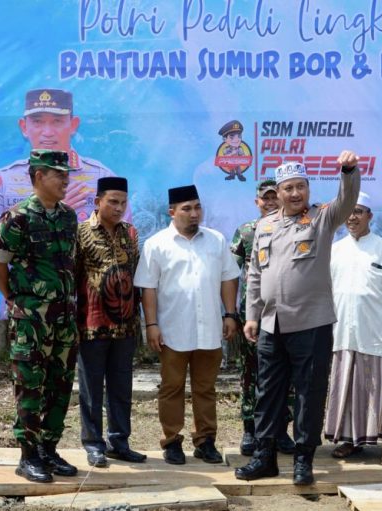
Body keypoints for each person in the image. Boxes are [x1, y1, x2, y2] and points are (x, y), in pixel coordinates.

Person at [234, 152, 361, 486]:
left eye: (300, 187)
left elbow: (346, 202)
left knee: (309, 393)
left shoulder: (322, 218)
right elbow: (256, 273)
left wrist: (348, 171)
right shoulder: (265, 225)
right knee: (268, 393)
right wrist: (251, 316)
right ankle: (265, 457)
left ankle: (304, 459)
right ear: (277, 192)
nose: (294, 194)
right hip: (270, 325)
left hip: (312, 323)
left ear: (307, 189)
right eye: (288, 188)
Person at [134, 185, 240, 465]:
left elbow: (228, 278)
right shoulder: (157, 244)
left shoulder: (216, 240)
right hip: (172, 330)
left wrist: (230, 314)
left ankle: (206, 441)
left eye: (197, 207)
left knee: (206, 388)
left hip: (210, 329)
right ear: (172, 212)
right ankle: (171, 441)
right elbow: (148, 288)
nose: (194, 214)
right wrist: (151, 324)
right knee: (172, 387)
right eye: (187, 209)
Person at [0, 149, 79, 483]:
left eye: (66, 174)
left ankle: (49, 450)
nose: (65, 180)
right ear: (39, 176)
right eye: (59, 175)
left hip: (64, 318)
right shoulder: (17, 218)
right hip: (31, 320)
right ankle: (28, 456)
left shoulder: (69, 216)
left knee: (60, 383)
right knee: (30, 386)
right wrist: (14, 298)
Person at [0, 88, 121, 250]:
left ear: (73, 125)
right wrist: (39, 209)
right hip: (27, 275)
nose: (48, 132)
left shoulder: (102, 178)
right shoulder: (6, 178)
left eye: (57, 121)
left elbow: (121, 243)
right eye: (37, 121)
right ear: (24, 127)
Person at [324, 192, 382, 469]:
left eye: (359, 211)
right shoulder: (334, 249)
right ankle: (349, 439)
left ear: (370, 215)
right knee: (345, 386)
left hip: (375, 331)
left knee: (378, 388)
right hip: (342, 332)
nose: (352, 217)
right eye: (348, 211)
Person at [76, 176, 145, 468]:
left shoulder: (130, 233)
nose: (118, 208)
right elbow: (73, 276)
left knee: (121, 386)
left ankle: (119, 442)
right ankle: (93, 444)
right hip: (91, 324)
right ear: (98, 202)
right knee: (91, 388)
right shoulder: (80, 232)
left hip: (125, 326)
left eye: (123, 203)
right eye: (112, 202)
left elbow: (137, 275)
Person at [229, 180, 295, 456]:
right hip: (253, 316)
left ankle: (281, 429)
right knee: (251, 372)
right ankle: (250, 429)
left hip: (288, 314)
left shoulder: (295, 227)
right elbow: (230, 274)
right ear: (257, 202)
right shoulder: (246, 231)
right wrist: (231, 312)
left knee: (285, 374)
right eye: (264, 198)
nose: (269, 202)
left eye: (273, 197)